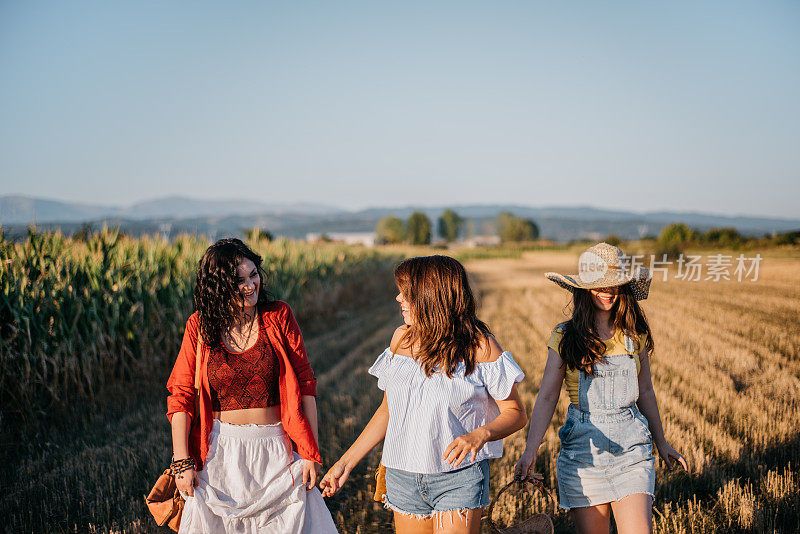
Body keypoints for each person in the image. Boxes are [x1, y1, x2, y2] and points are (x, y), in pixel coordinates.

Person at [319, 255, 528, 534]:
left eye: (406, 293)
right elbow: (388, 411)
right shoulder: (400, 340)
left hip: (459, 477)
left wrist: (480, 434)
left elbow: (516, 413)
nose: (398, 298)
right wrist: (345, 463)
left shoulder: (480, 347)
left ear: (432, 296)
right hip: (402, 477)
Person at [165, 238, 338, 533]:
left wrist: (311, 453)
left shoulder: (278, 316)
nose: (250, 286)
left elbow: (306, 385)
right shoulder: (200, 327)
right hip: (219, 455)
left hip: (276, 452)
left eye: (253, 275)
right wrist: (182, 462)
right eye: (239, 280)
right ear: (217, 286)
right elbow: (180, 396)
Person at [513, 242, 688, 534]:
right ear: (584, 288)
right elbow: (547, 396)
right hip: (583, 451)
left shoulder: (634, 335)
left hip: (632, 450)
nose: (608, 291)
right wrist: (531, 450)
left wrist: (662, 442)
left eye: (614, 284)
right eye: (599, 285)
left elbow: (645, 392)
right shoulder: (565, 336)